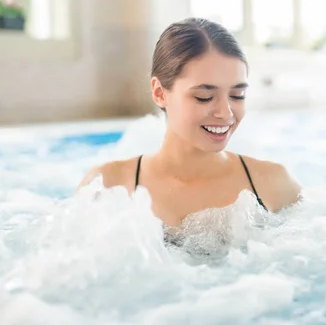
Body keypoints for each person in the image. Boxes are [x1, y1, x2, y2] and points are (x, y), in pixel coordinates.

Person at [77, 18, 302, 237]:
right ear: (159, 92)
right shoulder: (107, 187)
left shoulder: (274, 185)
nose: (226, 113)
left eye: (237, 95)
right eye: (204, 96)